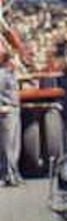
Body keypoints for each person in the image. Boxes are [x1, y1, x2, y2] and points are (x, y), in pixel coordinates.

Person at [0, 48, 21, 186]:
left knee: (14, 145)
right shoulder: (2, 74)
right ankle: (8, 175)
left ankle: (13, 173)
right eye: (15, 59)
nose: (17, 62)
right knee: (7, 147)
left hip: (15, 110)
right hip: (6, 112)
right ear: (9, 61)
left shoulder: (12, 74)